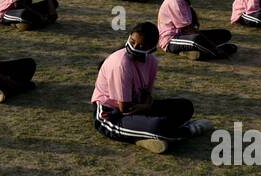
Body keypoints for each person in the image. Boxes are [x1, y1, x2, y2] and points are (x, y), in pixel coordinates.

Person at [91, 21, 213, 154]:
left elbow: (146, 95)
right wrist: (147, 107)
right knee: (159, 126)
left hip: (137, 107)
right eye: (132, 42)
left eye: (141, 45)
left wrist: (147, 105)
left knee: (185, 106)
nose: (134, 47)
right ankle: (187, 130)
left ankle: (143, 134)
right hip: (112, 115)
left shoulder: (151, 62)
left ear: (151, 48)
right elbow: (124, 108)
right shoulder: (121, 64)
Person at [157, 0, 237, 60]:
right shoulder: (175, 2)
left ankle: (196, 51)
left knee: (224, 34)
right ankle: (215, 53)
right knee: (197, 39)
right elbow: (189, 30)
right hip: (172, 40)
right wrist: (213, 47)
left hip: (185, 35)